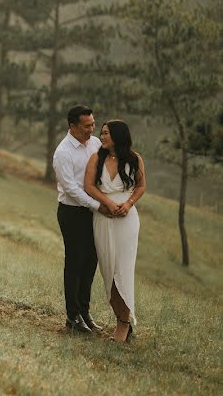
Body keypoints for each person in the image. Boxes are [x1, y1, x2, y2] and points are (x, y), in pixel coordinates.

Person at [84, 120, 146, 342]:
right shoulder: (97, 158)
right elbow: (88, 186)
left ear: (118, 135)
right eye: (101, 133)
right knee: (108, 271)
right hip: (103, 218)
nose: (101, 136)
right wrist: (106, 203)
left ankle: (124, 323)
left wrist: (128, 204)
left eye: (106, 133)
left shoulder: (134, 158)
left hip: (126, 222)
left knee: (123, 270)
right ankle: (120, 317)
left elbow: (140, 186)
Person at [52, 105, 111, 333]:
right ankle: (73, 316)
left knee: (91, 261)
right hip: (72, 213)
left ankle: (85, 311)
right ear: (73, 126)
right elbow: (72, 189)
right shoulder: (63, 153)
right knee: (75, 262)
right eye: (87, 126)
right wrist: (99, 205)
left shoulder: (95, 144)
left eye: (93, 124)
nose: (92, 129)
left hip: (93, 212)